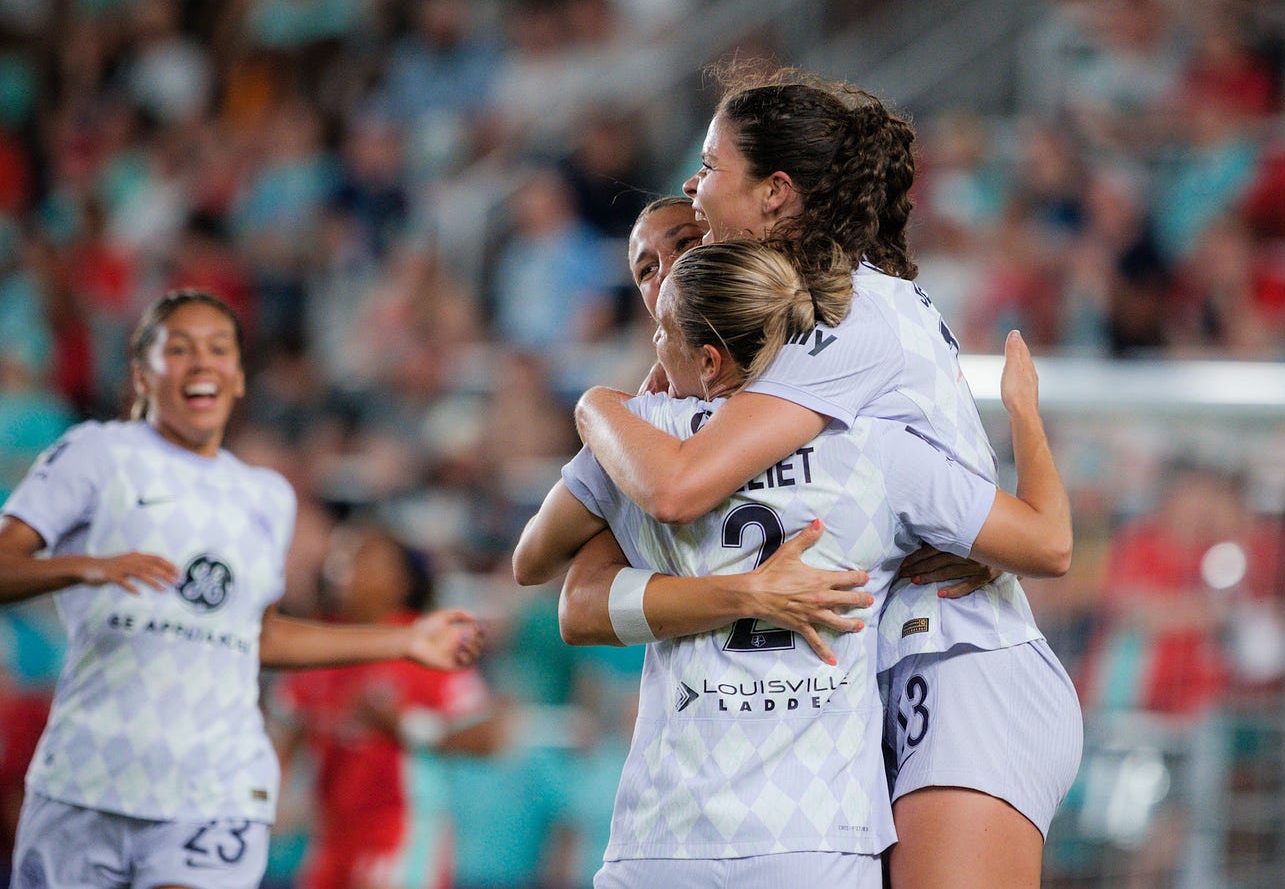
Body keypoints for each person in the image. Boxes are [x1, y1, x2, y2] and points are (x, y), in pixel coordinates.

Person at [567, 66, 1082, 888]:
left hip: (959, 664)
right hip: (885, 667)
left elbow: (679, 486)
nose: (693, 188)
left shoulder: (842, 322)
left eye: (712, 166)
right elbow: (564, 579)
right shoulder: (821, 310)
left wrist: (595, 407)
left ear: (774, 194)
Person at [0, 289, 484, 889]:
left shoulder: (266, 497)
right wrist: (83, 568)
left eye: (218, 350)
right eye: (179, 349)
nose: (202, 363)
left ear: (237, 378)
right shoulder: (96, 454)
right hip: (88, 777)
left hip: (213, 786)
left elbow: (260, 635)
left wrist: (405, 641)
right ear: (142, 374)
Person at [270, 520, 511, 889]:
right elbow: (288, 729)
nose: (349, 569)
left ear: (401, 579)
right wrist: (274, 799)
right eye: (344, 556)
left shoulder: (424, 642)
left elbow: (486, 737)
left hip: (401, 830)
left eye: (366, 559)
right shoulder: (320, 642)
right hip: (331, 834)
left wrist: (405, 724)